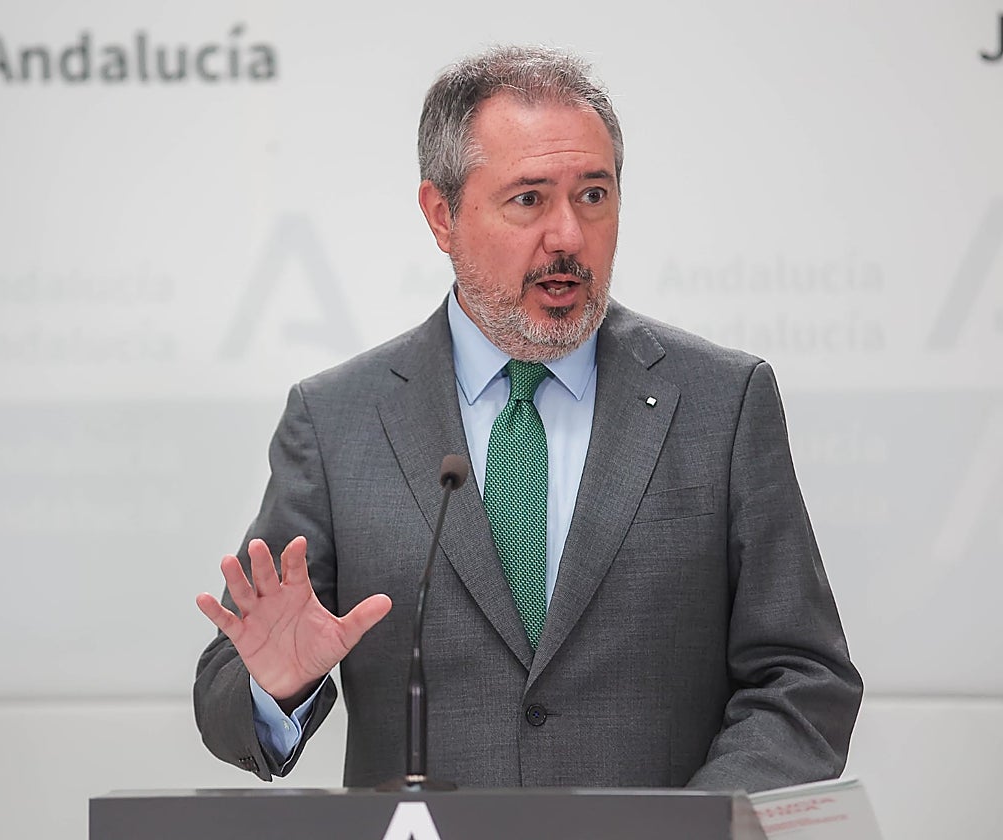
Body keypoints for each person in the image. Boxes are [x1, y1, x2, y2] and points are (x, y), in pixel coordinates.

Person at [193, 45, 862, 791]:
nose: (569, 236)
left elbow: (804, 678)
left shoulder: (722, 402)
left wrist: (697, 826)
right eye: (529, 200)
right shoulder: (337, 422)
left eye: (594, 195)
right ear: (442, 215)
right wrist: (274, 687)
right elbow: (227, 687)